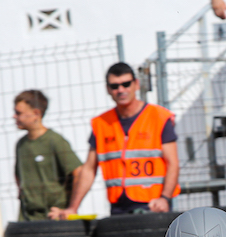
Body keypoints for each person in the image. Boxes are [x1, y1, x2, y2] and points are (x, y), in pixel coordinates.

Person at [49, 63, 180, 219]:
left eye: (126, 84)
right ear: (108, 89)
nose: (121, 90)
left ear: (136, 84)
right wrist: (73, 208)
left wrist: (164, 198)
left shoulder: (159, 117)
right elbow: (89, 170)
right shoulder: (101, 123)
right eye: (115, 86)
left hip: (153, 205)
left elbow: (173, 163)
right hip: (118, 207)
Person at [13, 90, 82, 221]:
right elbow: (18, 175)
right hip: (27, 218)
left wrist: (70, 208)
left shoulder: (54, 141)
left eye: (19, 113)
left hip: (52, 218)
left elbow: (78, 172)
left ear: (36, 114)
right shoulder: (20, 145)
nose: (14, 116)